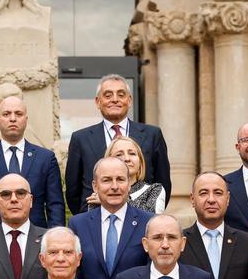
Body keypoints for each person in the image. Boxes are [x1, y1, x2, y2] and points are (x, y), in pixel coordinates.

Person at [64, 74, 170, 215]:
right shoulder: (80, 139)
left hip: (141, 222)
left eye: (121, 95)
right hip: (94, 221)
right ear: (98, 102)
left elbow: (163, 183)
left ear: (129, 100)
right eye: (108, 95)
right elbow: (73, 191)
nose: (115, 99)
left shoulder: (152, 135)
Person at [0, 93, 64, 237]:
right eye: (6, 114)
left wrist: (55, 241)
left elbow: (55, 206)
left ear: (26, 119)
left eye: (18, 114)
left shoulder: (45, 158)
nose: (12, 118)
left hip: (36, 239)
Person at [71, 157, 150, 279]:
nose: (114, 186)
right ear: (95, 186)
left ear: (129, 183)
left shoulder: (149, 223)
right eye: (107, 180)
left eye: (120, 179)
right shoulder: (78, 224)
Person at [98, 136, 165, 214]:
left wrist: (115, 202)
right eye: (119, 154)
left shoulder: (154, 189)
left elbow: (152, 220)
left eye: (132, 154)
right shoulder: (102, 192)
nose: (127, 159)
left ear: (140, 160)